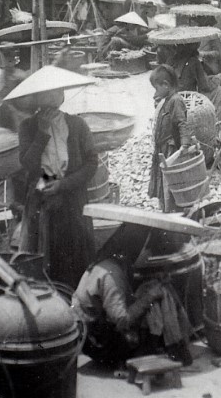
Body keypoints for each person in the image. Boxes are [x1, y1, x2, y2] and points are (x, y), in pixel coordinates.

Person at [11, 69, 100, 289]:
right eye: (46, 95)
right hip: (43, 198)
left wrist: (64, 184)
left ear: (62, 96)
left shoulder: (77, 125)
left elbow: (91, 163)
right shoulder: (28, 127)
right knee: (45, 251)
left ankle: (77, 297)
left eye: (57, 93)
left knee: (77, 251)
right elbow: (28, 165)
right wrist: (41, 133)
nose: (52, 99)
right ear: (37, 99)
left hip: (73, 197)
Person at [72, 225, 193, 367]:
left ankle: (170, 346)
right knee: (154, 302)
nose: (148, 255)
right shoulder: (111, 273)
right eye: (147, 250)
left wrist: (154, 285)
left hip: (93, 332)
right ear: (136, 248)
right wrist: (149, 297)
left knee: (154, 289)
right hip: (97, 342)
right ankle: (166, 349)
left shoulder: (108, 262)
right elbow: (121, 320)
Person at [149, 65, 189, 212]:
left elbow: (181, 123)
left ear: (166, 85)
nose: (155, 92)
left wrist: (184, 145)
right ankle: (165, 206)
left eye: (156, 88)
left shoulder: (176, 101)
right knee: (163, 181)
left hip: (170, 150)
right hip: (162, 149)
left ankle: (171, 209)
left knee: (169, 182)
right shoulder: (167, 100)